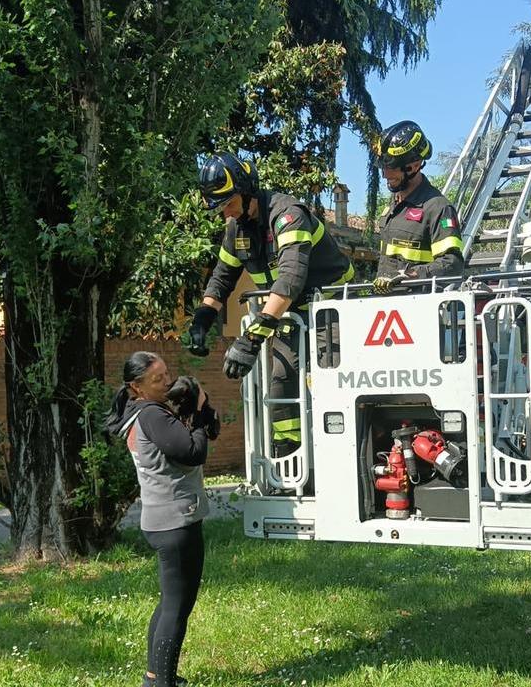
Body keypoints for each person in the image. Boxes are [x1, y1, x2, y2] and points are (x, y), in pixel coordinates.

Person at [186, 152, 353, 451]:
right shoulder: (236, 230)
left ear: (247, 190)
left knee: (334, 381)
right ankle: (289, 454)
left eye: (229, 204)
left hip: (335, 313)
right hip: (291, 315)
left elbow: (289, 280)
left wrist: (250, 340)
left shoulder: (288, 215)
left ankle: (339, 452)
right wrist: (203, 319)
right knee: (281, 380)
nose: (226, 214)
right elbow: (222, 279)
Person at [106, 351, 219, 687]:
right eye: (158, 379)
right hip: (175, 522)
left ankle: (155, 675)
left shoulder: (141, 413)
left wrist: (197, 414)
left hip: (162, 519)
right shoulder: (152, 414)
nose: (167, 381)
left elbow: (191, 441)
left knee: (171, 602)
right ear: (135, 387)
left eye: (167, 373)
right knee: (177, 607)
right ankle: (162, 682)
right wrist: (198, 412)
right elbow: (193, 451)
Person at [372, 120, 465, 294]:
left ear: (414, 165)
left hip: (418, 307)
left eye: (391, 167)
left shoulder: (438, 208)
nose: (385, 174)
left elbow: (452, 263)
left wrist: (409, 276)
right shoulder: (393, 205)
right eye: (383, 167)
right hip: (386, 307)